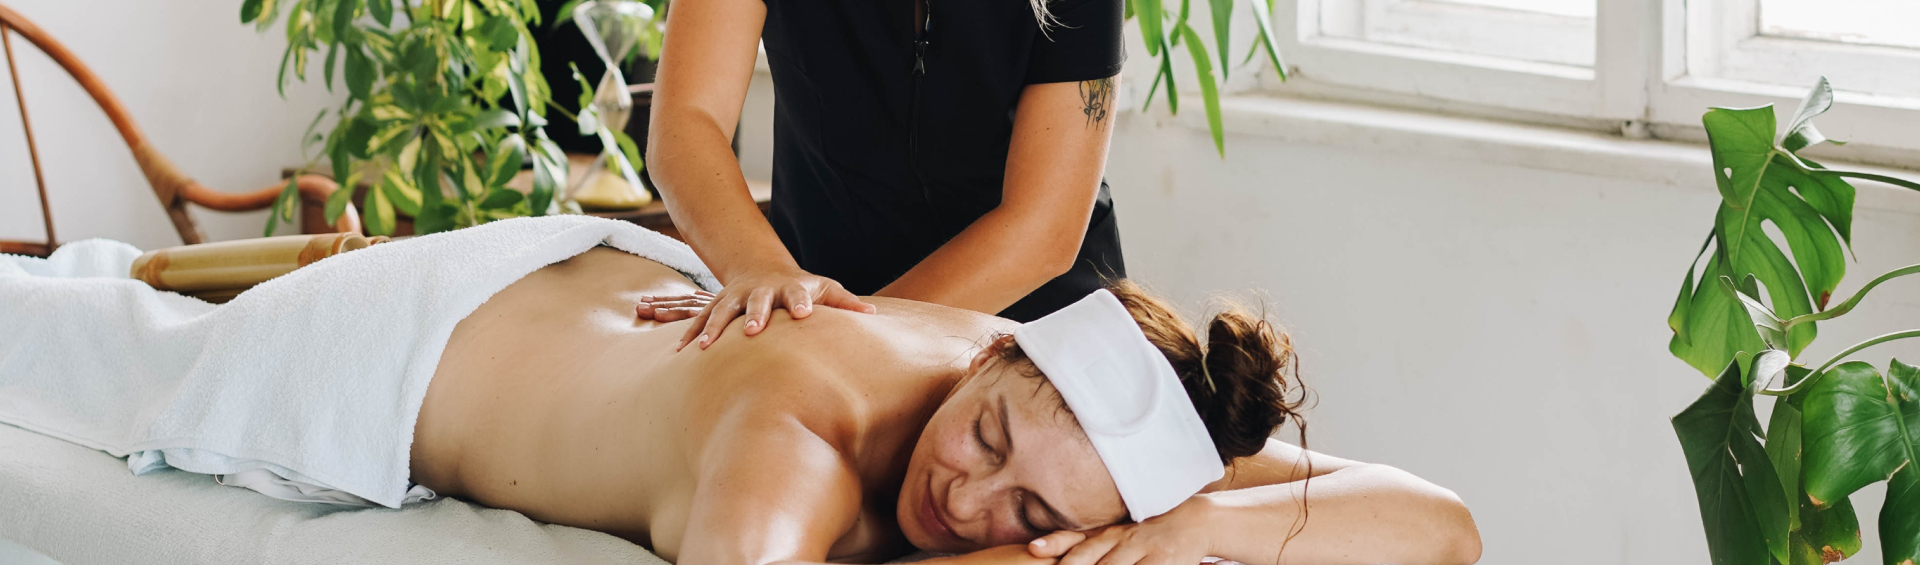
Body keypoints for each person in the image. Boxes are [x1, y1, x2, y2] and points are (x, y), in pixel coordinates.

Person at [404, 248, 1480, 564]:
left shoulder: (1077, 421)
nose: (968, 501)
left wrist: (1198, 522)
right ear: (990, 349)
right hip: (406, 342)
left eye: (1034, 516)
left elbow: (1440, 527)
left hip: (593, 299)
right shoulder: (797, 440)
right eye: (987, 437)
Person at [644, 0, 1135, 350]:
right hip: (820, 304)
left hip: (1035, 330)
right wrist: (760, 273)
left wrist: (845, 333)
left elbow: (1043, 230)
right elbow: (686, 122)